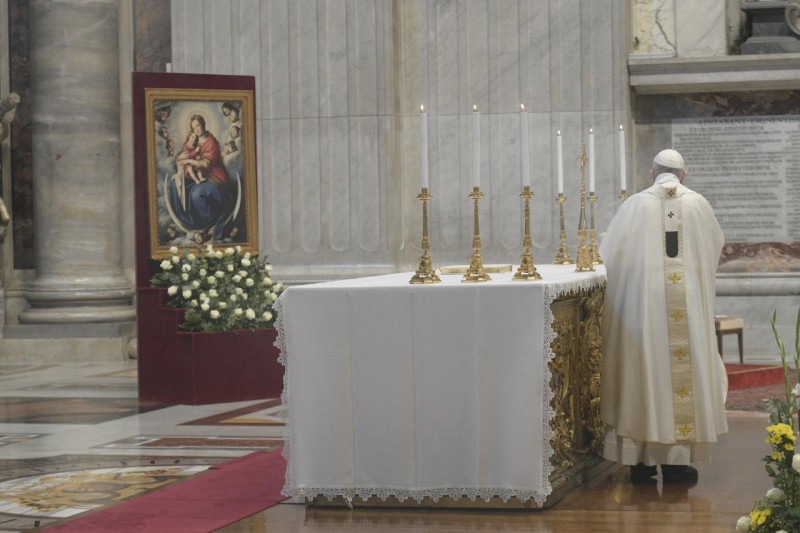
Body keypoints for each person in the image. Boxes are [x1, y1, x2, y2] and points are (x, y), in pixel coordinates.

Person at [599, 149, 728, 485]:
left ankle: (639, 464)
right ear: (684, 175)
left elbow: (608, 256)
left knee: (642, 373)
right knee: (680, 378)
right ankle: (675, 464)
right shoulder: (698, 204)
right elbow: (714, 248)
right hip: (686, 306)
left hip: (643, 310)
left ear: (651, 173)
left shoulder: (634, 205)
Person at [166, 114, 237, 241]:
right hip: (197, 176)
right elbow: (185, 152)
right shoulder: (194, 139)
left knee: (197, 194)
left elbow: (207, 164)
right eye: (194, 128)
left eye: (198, 125)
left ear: (203, 124)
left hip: (214, 178)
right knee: (174, 185)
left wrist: (189, 160)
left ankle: (207, 222)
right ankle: (189, 221)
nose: (197, 129)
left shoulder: (211, 142)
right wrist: (181, 157)